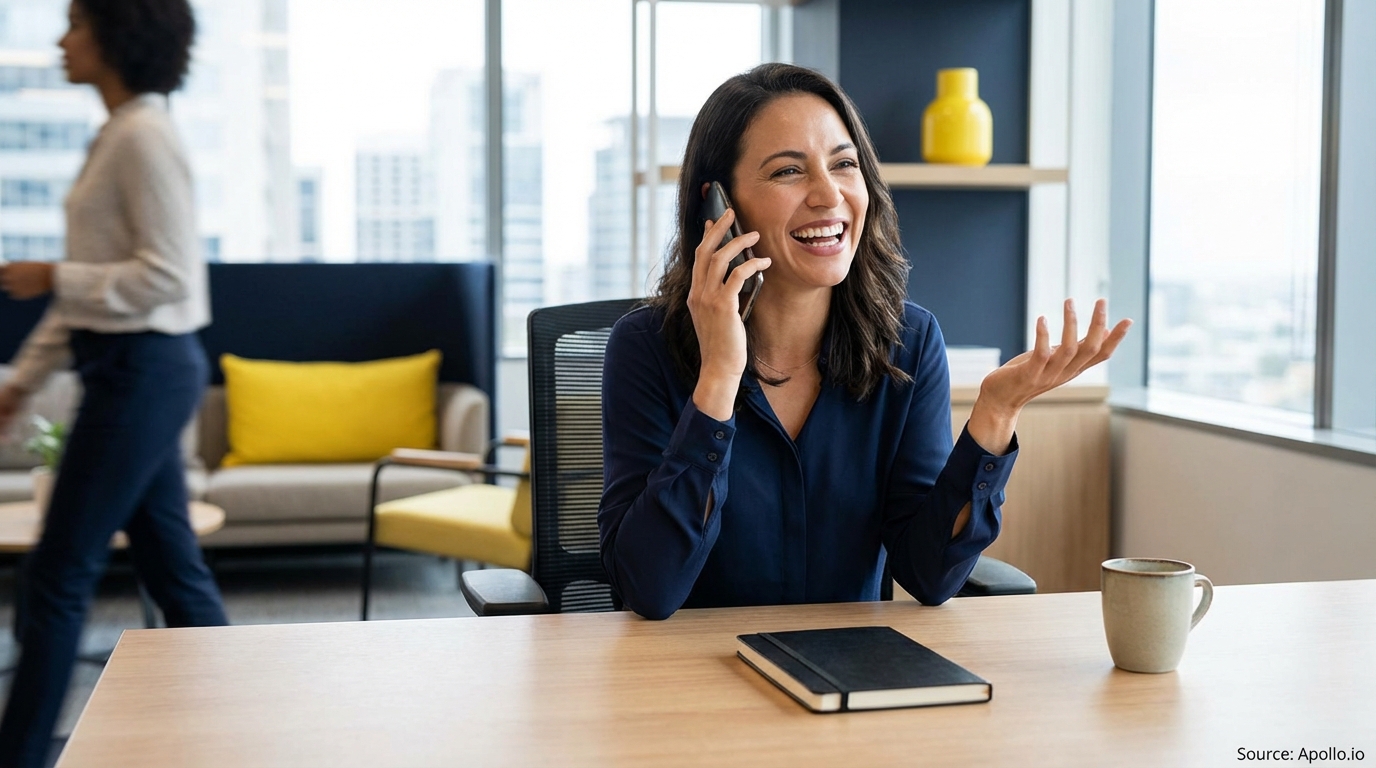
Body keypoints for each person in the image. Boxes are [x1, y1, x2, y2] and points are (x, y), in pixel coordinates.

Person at [598, 64, 1131, 621]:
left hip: (846, 679)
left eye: (844, 164)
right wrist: (719, 379)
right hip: (685, 682)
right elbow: (650, 590)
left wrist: (997, 413)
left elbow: (929, 574)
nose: (829, 196)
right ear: (719, 205)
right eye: (788, 172)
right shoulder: (645, 347)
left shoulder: (909, 342)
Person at [0, 1, 228, 764]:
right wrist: (21, 382)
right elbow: (84, 301)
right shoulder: (118, 133)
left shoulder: (144, 137)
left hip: (144, 371)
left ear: (117, 35)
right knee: (174, 569)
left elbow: (166, 276)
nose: (62, 40)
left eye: (75, 24)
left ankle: (22, 753)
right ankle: (250, 725)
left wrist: (53, 273)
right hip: (128, 368)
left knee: (56, 576)